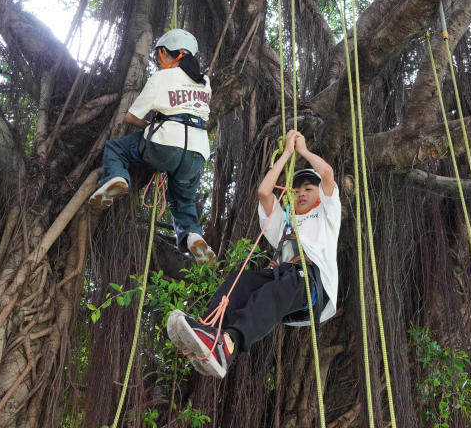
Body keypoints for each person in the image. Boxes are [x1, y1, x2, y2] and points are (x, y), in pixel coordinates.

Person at [166, 129, 341, 378]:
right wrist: (286, 155)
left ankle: (229, 343)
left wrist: (302, 151)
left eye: (308, 189)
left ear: (320, 196)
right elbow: (264, 192)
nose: (301, 193)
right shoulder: (285, 222)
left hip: (311, 282)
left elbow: (327, 174)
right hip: (283, 277)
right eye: (297, 189)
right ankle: (208, 330)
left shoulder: (327, 214)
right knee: (242, 279)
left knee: (285, 282)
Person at [88, 28, 215, 264]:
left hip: (164, 145)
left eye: (159, 56)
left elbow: (131, 117)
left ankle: (116, 178)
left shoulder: (160, 78)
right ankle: (193, 235)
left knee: (116, 149)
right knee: (183, 200)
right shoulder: (205, 82)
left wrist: (151, 124)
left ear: (168, 53)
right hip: (198, 152)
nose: (158, 61)